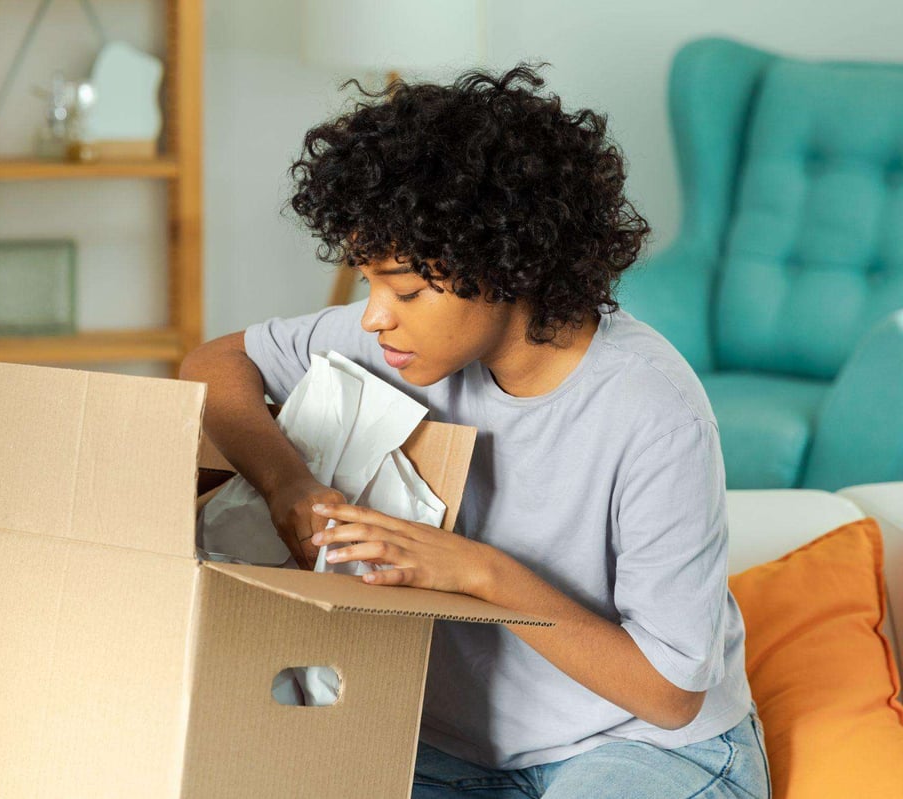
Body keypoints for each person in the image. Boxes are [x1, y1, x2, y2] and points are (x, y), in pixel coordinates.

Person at [179, 65, 770, 799]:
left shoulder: (654, 409)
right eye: (367, 280)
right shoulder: (397, 343)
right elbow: (214, 361)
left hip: (640, 744)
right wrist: (287, 484)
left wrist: (477, 572)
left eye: (405, 288)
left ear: (503, 262)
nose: (373, 315)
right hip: (445, 749)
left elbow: (668, 692)